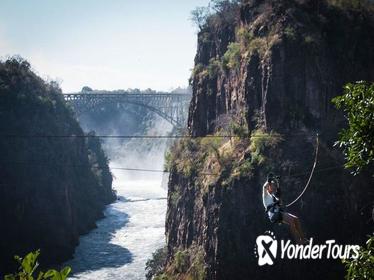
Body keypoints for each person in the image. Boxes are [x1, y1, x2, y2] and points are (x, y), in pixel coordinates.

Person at [262, 173, 306, 244]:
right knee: (291, 220)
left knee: (296, 219)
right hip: (274, 215)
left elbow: (280, 203)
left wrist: (279, 195)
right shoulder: (265, 195)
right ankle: (298, 241)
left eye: (274, 186)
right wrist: (270, 180)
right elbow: (264, 186)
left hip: (279, 213)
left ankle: (303, 238)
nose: (274, 187)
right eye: (273, 186)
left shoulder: (274, 195)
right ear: (269, 186)